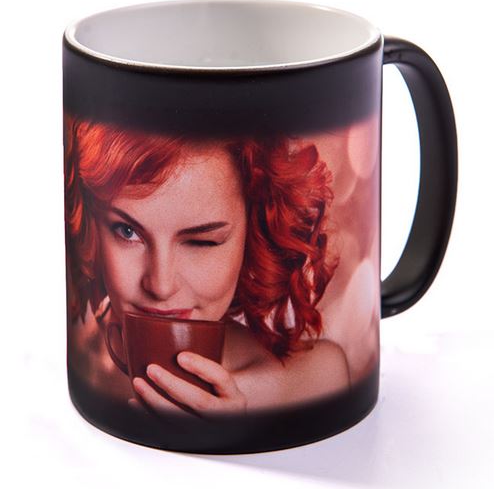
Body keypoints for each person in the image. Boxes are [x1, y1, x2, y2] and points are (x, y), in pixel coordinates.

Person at [64, 115, 350, 419]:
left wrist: (237, 438)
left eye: (201, 242)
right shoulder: (68, 360)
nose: (160, 286)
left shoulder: (312, 382)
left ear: (254, 238)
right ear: (91, 229)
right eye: (127, 232)